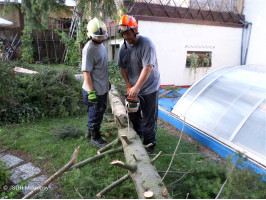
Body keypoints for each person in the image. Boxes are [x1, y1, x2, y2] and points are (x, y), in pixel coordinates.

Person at [117, 15, 160, 154]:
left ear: (135, 29)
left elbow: (148, 67)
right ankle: (139, 135)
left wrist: (137, 87)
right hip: (134, 87)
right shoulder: (123, 47)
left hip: (149, 87)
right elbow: (122, 68)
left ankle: (149, 145)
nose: (126, 36)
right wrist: (129, 85)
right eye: (123, 34)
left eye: (128, 33)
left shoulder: (147, 44)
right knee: (133, 115)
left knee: (148, 118)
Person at [82, 18, 109, 148]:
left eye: (102, 36)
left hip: (101, 87)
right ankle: (95, 137)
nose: (100, 39)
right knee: (96, 113)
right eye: (98, 37)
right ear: (91, 35)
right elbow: (86, 72)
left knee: (98, 112)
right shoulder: (89, 50)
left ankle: (90, 131)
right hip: (94, 90)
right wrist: (91, 91)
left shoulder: (101, 44)